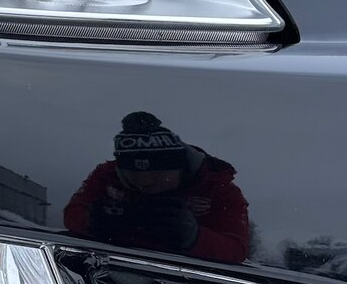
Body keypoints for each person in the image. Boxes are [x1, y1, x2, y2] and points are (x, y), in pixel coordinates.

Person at [63, 112, 250, 263]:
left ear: (181, 168)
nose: (145, 182)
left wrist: (193, 235)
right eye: (133, 173)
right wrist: (92, 221)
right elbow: (73, 212)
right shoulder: (107, 175)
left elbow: (237, 249)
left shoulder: (217, 187)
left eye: (158, 173)